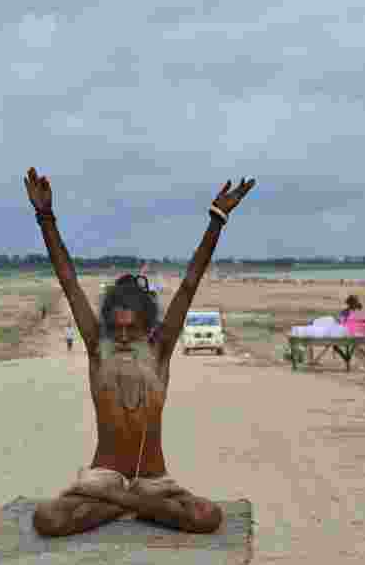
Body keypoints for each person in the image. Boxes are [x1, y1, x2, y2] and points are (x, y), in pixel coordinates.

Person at [24, 168, 256, 537]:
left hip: (155, 480)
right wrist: (45, 217)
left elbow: (190, 283)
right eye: (116, 328)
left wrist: (217, 220)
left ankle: (126, 505)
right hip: (102, 480)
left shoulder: (159, 350)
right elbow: (68, 280)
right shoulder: (97, 348)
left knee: (207, 517)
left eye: (132, 328)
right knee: (47, 520)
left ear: (147, 327)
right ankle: (135, 508)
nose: (123, 335)